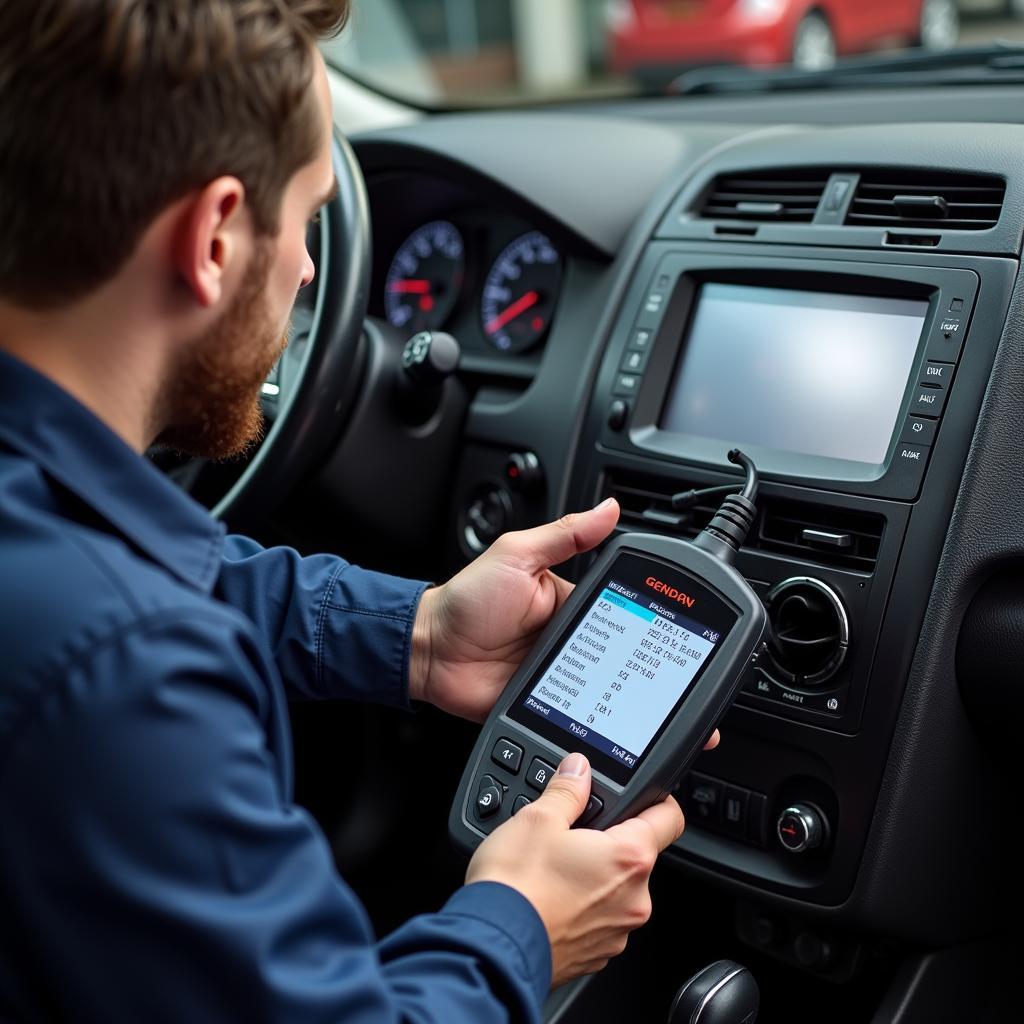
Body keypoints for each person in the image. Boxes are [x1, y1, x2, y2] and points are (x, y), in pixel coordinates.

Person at [0, 2, 712, 1020]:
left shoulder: (71, 578)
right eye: (307, 216)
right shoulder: (127, 674)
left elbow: (130, 576)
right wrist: (522, 928)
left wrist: (420, 635)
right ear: (209, 238)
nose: (306, 270)